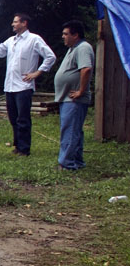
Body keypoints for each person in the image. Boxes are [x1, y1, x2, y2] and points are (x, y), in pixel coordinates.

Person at [0, 14, 56, 156]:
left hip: (24, 86)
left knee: (23, 119)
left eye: (15, 22)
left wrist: (37, 73)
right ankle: (17, 146)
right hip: (10, 86)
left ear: (24, 23)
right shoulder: (11, 41)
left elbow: (50, 56)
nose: (13, 24)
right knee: (13, 118)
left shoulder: (34, 39)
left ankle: (24, 149)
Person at [53, 20, 94, 171]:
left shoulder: (83, 48)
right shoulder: (73, 48)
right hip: (68, 98)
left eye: (66, 34)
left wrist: (80, 91)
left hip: (74, 99)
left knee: (70, 130)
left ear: (75, 35)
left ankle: (66, 164)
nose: (63, 36)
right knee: (74, 130)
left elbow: (86, 69)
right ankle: (77, 161)